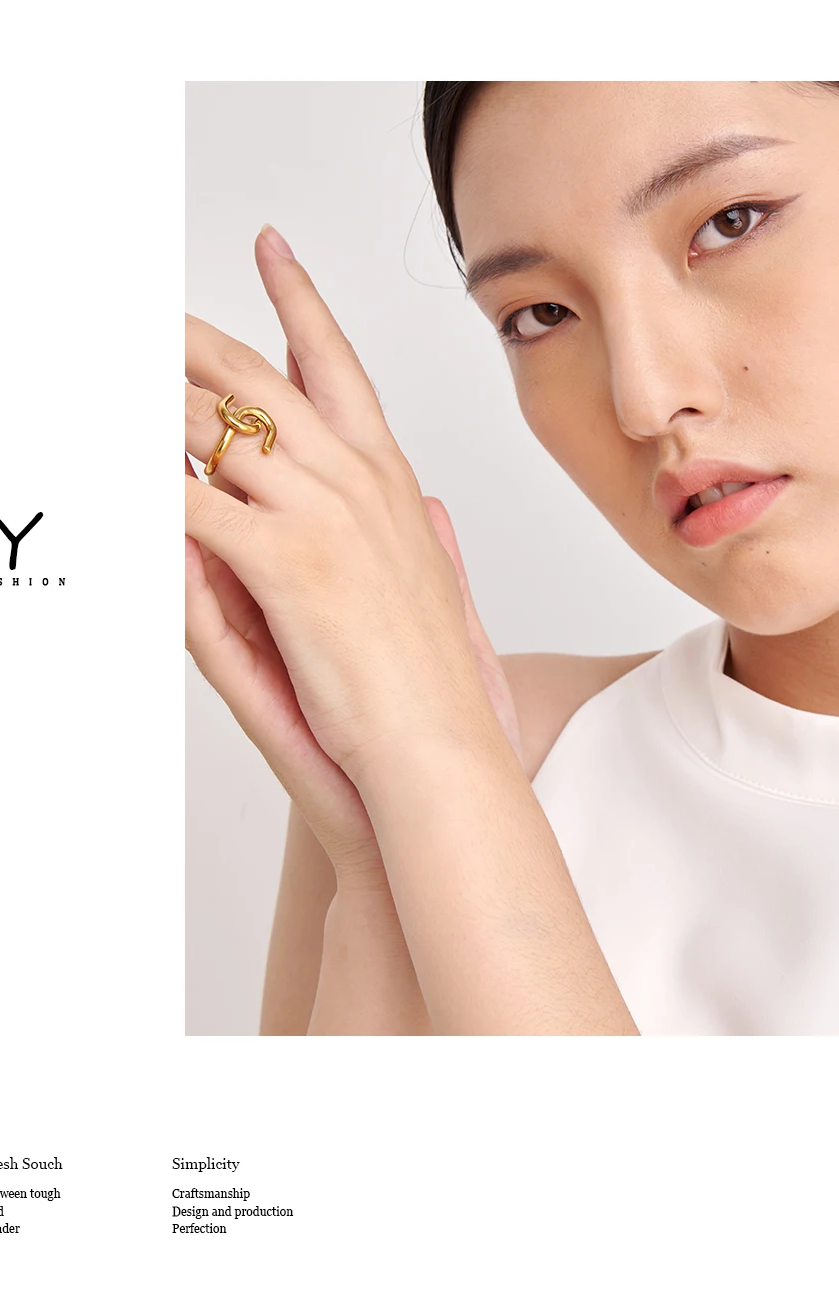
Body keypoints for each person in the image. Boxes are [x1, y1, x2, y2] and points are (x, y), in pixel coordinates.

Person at [185, 82, 839, 1035]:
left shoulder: (437, 744)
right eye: (539, 314)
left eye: (729, 222)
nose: (643, 398)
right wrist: (395, 830)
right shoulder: (456, 739)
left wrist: (442, 776)